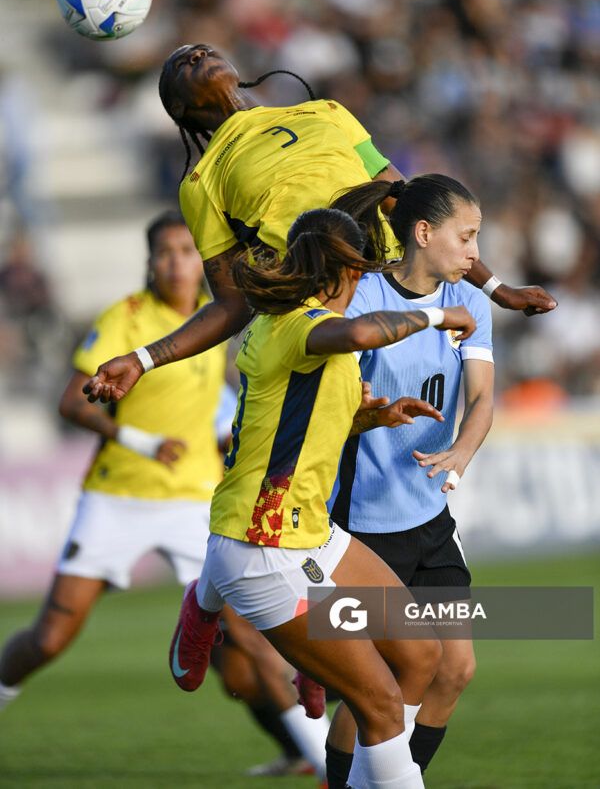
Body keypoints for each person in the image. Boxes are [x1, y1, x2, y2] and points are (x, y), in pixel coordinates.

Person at [0, 212, 328, 780]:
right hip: (118, 497)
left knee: (246, 647)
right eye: (166, 252)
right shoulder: (125, 319)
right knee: (50, 638)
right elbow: (72, 403)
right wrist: (140, 440)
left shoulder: (219, 319)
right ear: (149, 260)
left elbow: (222, 408)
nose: (177, 262)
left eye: (185, 249)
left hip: (195, 505)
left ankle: (322, 758)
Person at [167, 207, 479, 789]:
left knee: (420, 658)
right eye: (359, 270)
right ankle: (209, 600)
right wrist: (438, 314)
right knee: (382, 705)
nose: (363, 282)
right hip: (264, 548)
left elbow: (311, 426)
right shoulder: (296, 324)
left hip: (307, 529)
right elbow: (360, 332)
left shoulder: (303, 326)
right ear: (341, 271)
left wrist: (375, 416)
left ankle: (208, 599)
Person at [82, 43, 556, 408]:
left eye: (203, 49)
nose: (197, 53)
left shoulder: (323, 110)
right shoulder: (202, 182)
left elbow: (412, 206)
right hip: (333, 307)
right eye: (182, 66)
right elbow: (231, 303)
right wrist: (145, 360)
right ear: (179, 109)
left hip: (400, 281)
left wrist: (496, 289)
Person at [320, 174, 495, 786]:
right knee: (379, 689)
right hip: (364, 526)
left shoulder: (469, 303)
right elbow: (332, 412)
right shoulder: (362, 299)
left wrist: (461, 452)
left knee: (455, 669)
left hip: (428, 519)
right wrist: (370, 410)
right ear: (423, 233)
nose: (476, 254)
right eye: (466, 237)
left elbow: (481, 401)